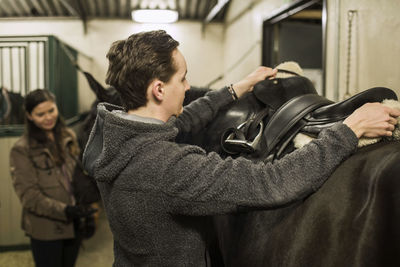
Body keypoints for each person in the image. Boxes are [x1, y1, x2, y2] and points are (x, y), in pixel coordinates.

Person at [82, 30, 400, 266]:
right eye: (183, 78)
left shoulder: (114, 137)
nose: (189, 86)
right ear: (159, 89)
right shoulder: (167, 168)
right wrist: (350, 129)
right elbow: (269, 182)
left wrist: (236, 89)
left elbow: (185, 119)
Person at [9, 89, 96, 267]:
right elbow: (29, 196)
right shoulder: (22, 149)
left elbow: (77, 179)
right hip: (46, 228)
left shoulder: (68, 136)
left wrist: (87, 213)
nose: (48, 117)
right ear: (29, 116)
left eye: (51, 110)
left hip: (74, 222)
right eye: (40, 114)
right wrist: (65, 210)